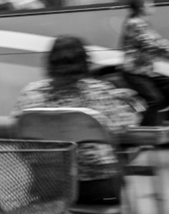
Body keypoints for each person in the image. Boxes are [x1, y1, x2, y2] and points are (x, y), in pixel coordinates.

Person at [12, 36, 139, 204]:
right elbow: (126, 123)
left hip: (47, 189)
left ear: (49, 62)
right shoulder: (101, 92)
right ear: (86, 62)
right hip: (98, 189)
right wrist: (132, 104)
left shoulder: (30, 93)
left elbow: (16, 131)